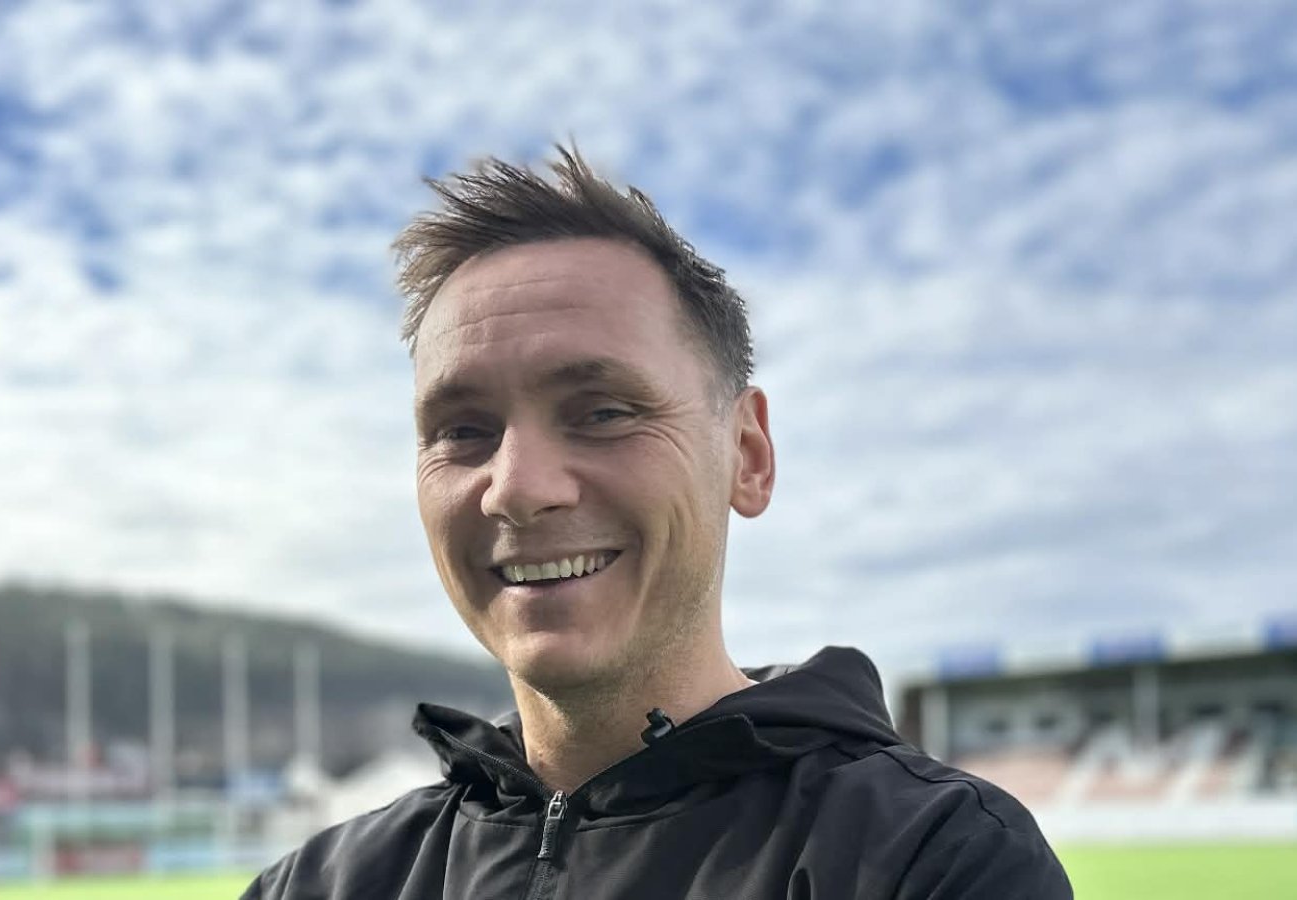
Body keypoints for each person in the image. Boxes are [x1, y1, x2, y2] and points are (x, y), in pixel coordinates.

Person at [241, 147, 1071, 899]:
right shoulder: (317, 885)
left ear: (747, 455)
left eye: (602, 411)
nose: (517, 489)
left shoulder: (931, 861)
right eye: (463, 430)